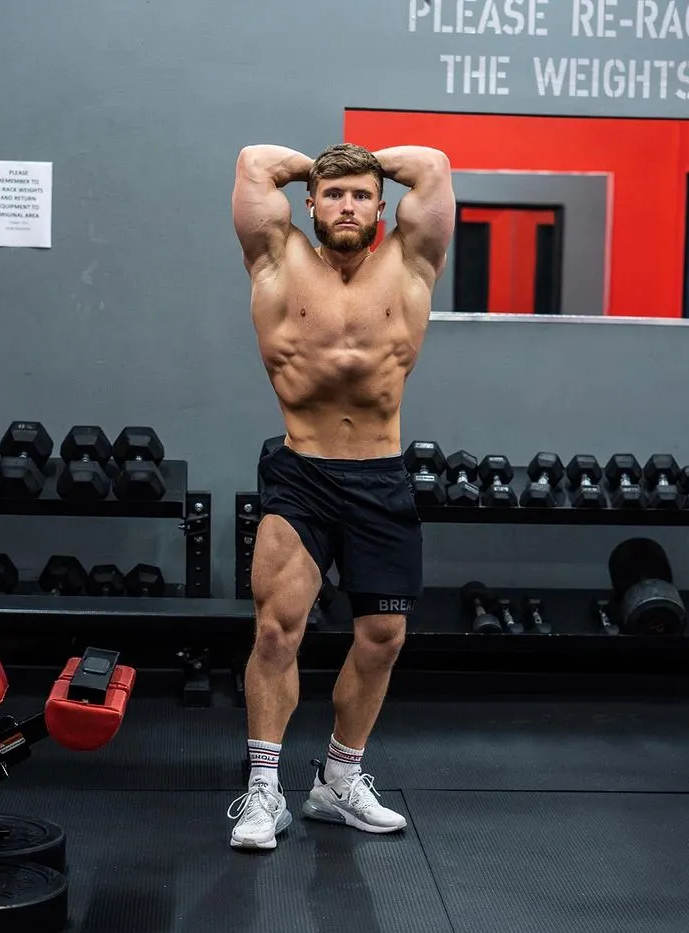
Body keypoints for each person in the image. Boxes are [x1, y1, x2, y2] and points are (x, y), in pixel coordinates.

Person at [227, 141, 455, 850]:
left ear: (382, 204)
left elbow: (434, 166)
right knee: (275, 632)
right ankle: (263, 790)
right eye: (333, 194)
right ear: (311, 203)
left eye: (361, 194)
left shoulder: (411, 262)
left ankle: (339, 779)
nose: (348, 205)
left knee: (383, 638)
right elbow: (254, 162)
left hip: (380, 476)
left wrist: (360, 163)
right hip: (302, 473)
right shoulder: (276, 259)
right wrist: (328, 162)